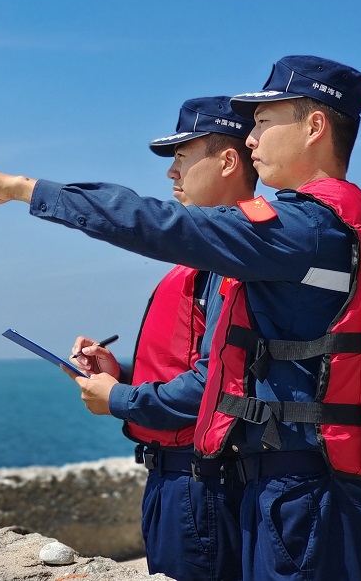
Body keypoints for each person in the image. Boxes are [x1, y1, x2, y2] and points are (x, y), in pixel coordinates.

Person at [0, 55, 361, 581]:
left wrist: (26, 188)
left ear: (315, 126)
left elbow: (161, 225)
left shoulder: (305, 230)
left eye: (265, 123)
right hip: (324, 492)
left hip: (307, 502)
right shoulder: (357, 233)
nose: (251, 141)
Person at [69, 96, 257, 581]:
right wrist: (121, 373)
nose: (172, 174)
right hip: (180, 480)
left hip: (202, 485)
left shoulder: (236, 263)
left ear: (228, 160)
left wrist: (120, 399)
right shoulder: (215, 259)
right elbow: (209, 363)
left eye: (181, 157)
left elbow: (215, 388)